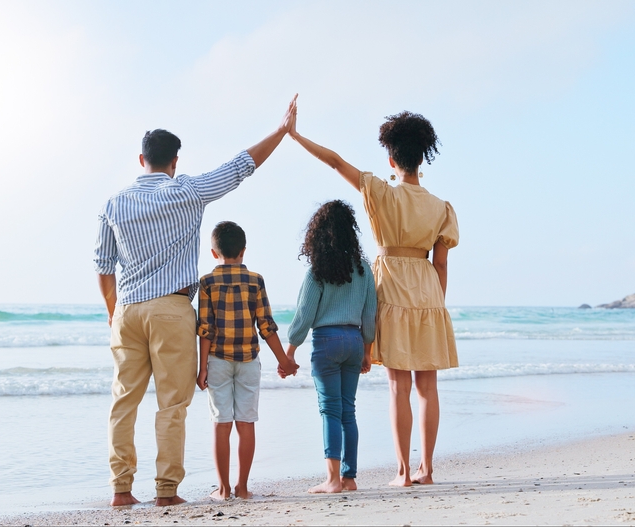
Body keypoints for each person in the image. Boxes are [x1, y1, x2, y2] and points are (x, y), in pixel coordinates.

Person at [93, 96, 298, 506]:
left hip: (128, 309)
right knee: (172, 405)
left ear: (141, 159)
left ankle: (121, 489)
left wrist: (114, 313)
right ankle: (166, 491)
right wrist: (280, 132)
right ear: (174, 162)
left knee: (123, 402)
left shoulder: (113, 203)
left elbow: (103, 266)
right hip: (171, 309)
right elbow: (240, 167)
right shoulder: (187, 191)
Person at [288, 106, 459, 487]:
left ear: (391, 158)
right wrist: (436, 303)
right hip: (428, 292)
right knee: (427, 387)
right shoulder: (441, 207)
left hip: (393, 287)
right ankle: (426, 470)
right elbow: (442, 264)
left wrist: (296, 136)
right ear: (422, 158)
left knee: (398, 386)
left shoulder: (379, 191)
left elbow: (335, 162)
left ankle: (403, 473)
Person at [195, 221, 299, 500]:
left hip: (217, 359)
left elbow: (205, 328)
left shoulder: (207, 282)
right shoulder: (256, 280)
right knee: (246, 422)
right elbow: (266, 325)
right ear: (243, 251)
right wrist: (285, 361)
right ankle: (242, 487)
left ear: (214, 253)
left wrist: (201, 367)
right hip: (249, 360)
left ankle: (223, 489)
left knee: (221, 422)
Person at [284, 200, 377, 494]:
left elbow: (304, 314)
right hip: (353, 340)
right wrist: (367, 350)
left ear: (319, 233)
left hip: (326, 342)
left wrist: (290, 350)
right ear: (350, 231)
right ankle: (349, 478)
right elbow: (370, 313)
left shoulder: (317, 270)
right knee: (348, 410)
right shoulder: (363, 268)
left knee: (330, 410)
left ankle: (332, 480)